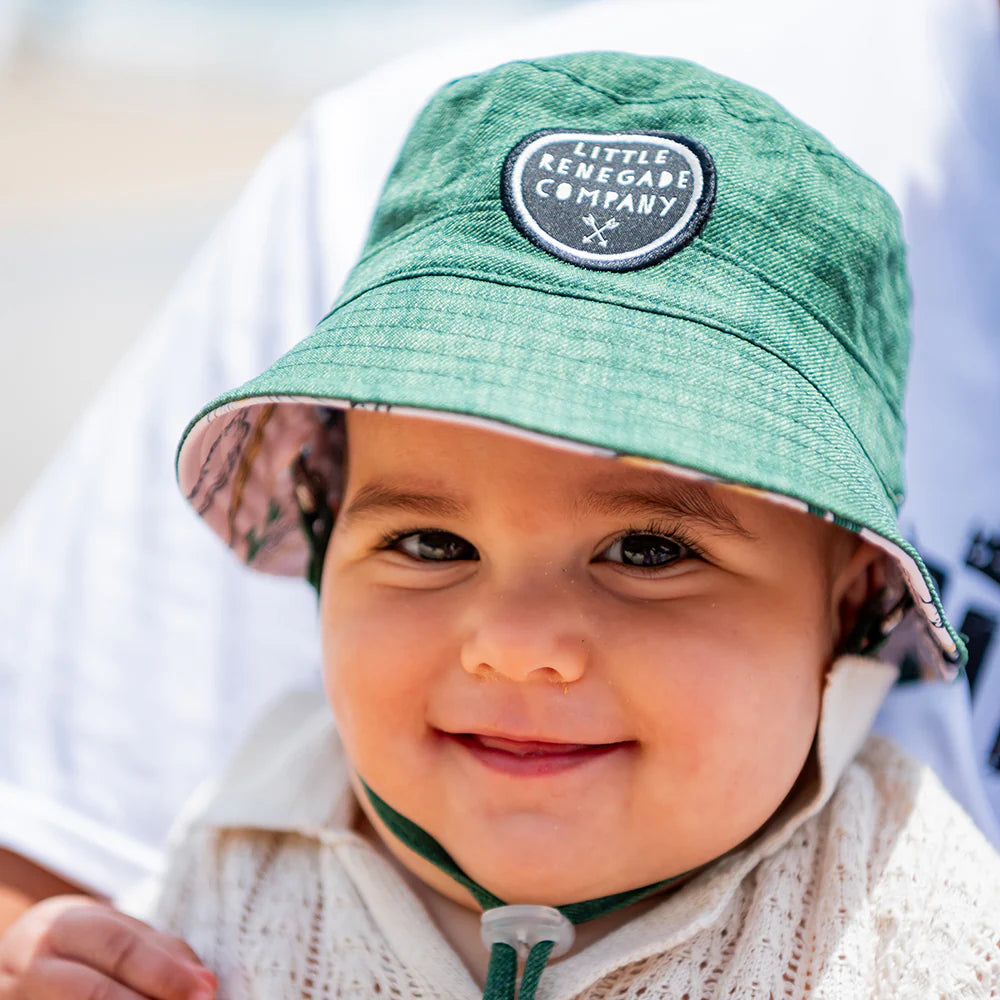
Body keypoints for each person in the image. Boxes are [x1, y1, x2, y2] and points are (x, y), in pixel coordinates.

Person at [2, 0, 999, 984]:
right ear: (321, 533)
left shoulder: (914, 928)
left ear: (853, 603)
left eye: (647, 551)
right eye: (430, 543)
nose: (514, 644)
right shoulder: (235, 851)